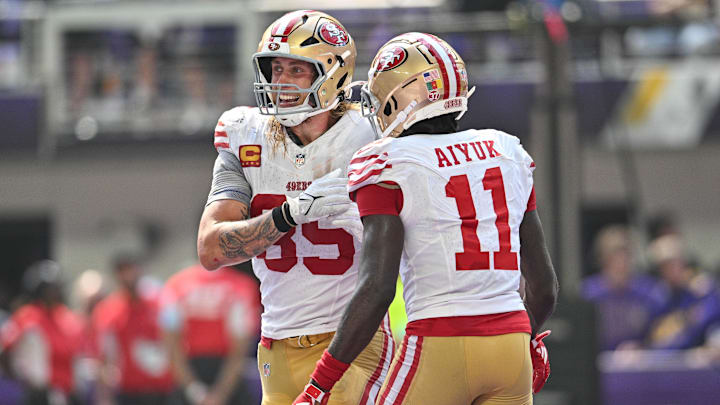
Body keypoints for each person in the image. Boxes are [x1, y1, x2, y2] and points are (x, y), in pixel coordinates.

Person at [293, 33, 559, 405]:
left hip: (441, 341)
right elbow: (544, 288)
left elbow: (377, 289)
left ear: (399, 96)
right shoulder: (507, 150)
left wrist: (319, 384)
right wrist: (525, 339)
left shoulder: (389, 161)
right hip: (510, 342)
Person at [195, 10, 392, 405]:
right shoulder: (245, 135)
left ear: (333, 74)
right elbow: (211, 249)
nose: (280, 82)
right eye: (275, 69)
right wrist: (291, 213)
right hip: (275, 346)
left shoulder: (369, 136)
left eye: (297, 70)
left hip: (351, 342)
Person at [158, 262, 260, 405]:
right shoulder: (242, 285)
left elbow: (170, 344)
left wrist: (194, 391)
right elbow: (240, 347)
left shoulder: (176, 283)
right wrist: (220, 394)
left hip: (192, 373)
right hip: (226, 374)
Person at [91, 254, 173, 405]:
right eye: (122, 271)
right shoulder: (108, 309)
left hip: (162, 388)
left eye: (130, 269)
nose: (128, 275)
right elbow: (103, 355)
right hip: (128, 390)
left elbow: (174, 343)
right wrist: (104, 395)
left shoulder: (160, 304)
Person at [0, 260, 85, 405]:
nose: (53, 293)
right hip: (38, 391)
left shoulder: (67, 317)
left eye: (56, 288)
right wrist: (18, 379)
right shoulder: (27, 316)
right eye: (49, 289)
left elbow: (79, 354)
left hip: (67, 391)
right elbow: (5, 350)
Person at [581, 225, 663, 350]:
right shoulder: (588, 294)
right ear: (603, 260)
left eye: (626, 257)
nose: (621, 264)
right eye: (614, 258)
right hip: (597, 360)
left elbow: (660, 333)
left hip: (637, 363)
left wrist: (642, 346)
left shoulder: (648, 292)